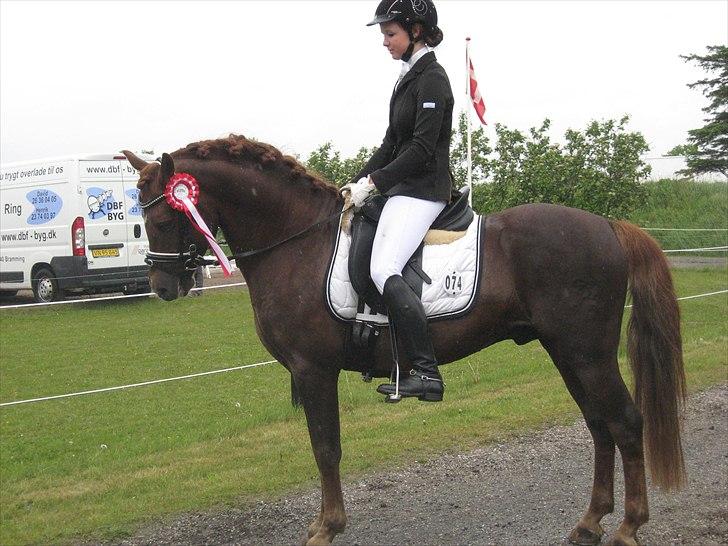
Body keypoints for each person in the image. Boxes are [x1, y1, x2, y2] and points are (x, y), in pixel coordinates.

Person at [352, 0, 454, 402]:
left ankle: (426, 373)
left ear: (415, 31)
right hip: (404, 189)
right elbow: (391, 144)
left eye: (390, 34)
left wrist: (374, 182)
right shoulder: (407, 78)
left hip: (424, 191)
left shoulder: (433, 80)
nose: (385, 42)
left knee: (383, 267)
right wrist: (355, 182)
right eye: (383, 35)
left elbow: (421, 150)